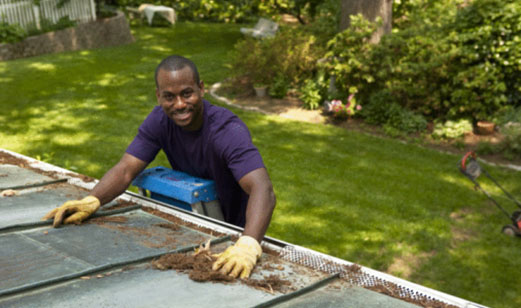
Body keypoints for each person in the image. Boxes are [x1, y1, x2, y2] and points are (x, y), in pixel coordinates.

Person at [42, 55, 276, 279]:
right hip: (194, 224)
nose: (180, 104)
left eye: (187, 94)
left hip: (235, 233)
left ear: (201, 89)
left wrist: (248, 245)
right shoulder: (159, 121)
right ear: (158, 96)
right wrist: (92, 200)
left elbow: (262, 189)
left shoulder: (227, 131)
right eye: (169, 97)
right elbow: (126, 169)